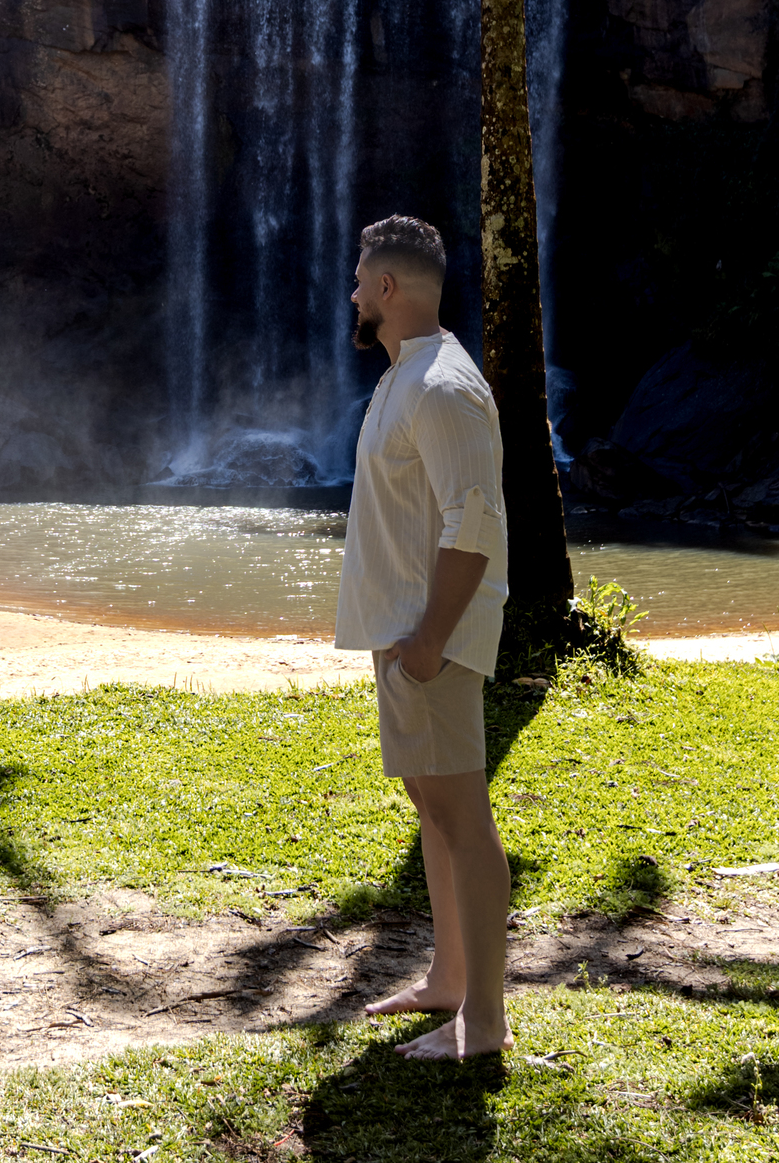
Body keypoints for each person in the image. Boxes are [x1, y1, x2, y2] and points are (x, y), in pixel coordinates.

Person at [335, 215, 511, 1061]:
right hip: (408, 637)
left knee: (463, 820)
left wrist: (431, 641)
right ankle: (449, 979)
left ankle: (485, 1023)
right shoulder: (406, 375)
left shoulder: (442, 386)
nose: (353, 295)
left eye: (360, 281)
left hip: (429, 641)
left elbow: (472, 526)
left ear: (389, 287)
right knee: (434, 813)